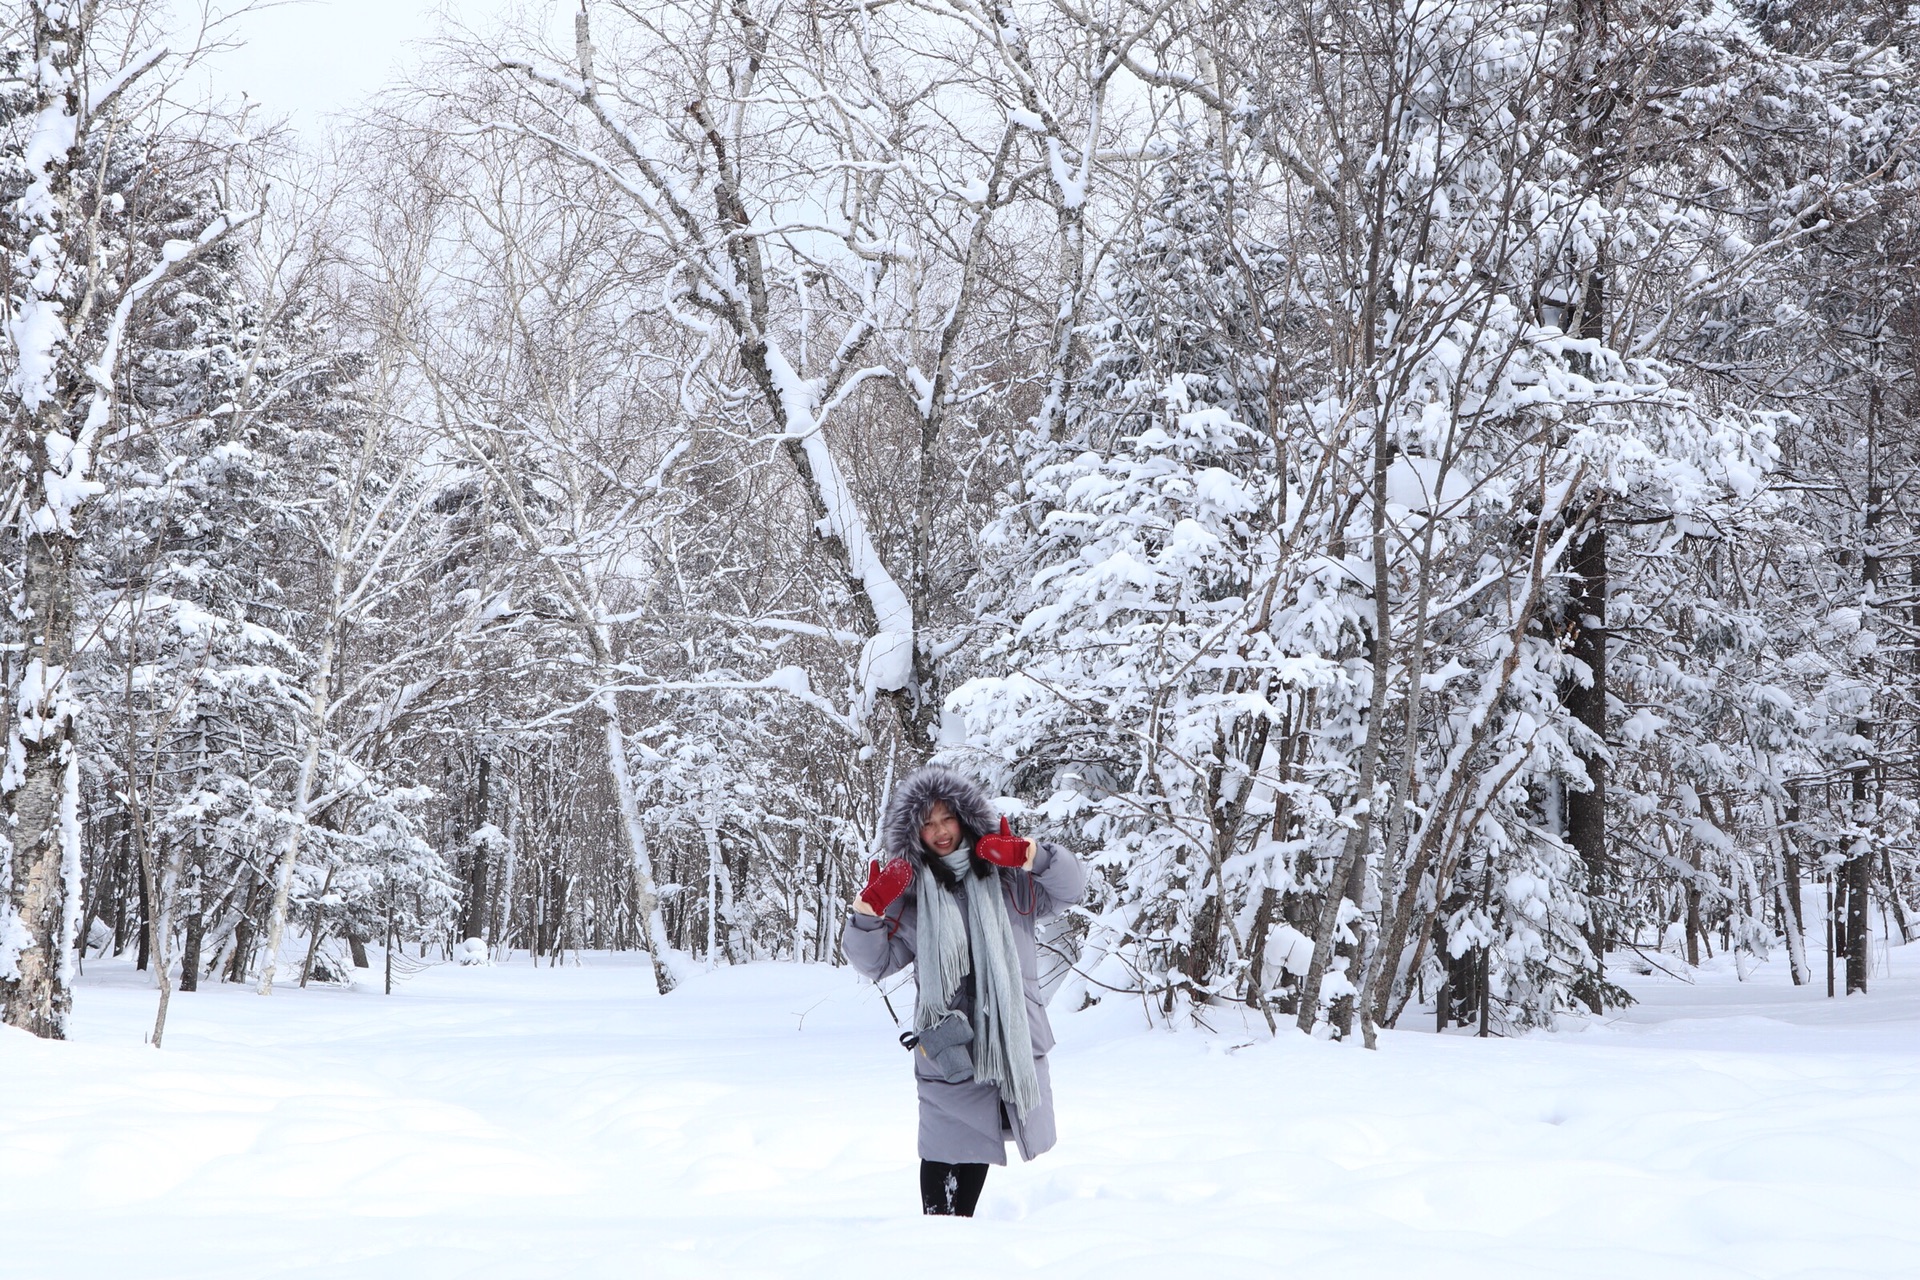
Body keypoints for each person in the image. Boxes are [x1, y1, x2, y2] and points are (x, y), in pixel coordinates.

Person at [841, 765, 1087, 1217]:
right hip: (950, 1043)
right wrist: (868, 912)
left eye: (946, 819)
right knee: (944, 1147)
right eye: (927, 823)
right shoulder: (911, 895)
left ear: (965, 819)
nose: (938, 832)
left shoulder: (1012, 881)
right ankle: (940, 1243)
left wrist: (1036, 856)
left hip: (1008, 1036)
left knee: (978, 1143)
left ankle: (958, 1245)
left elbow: (1072, 890)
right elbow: (874, 962)